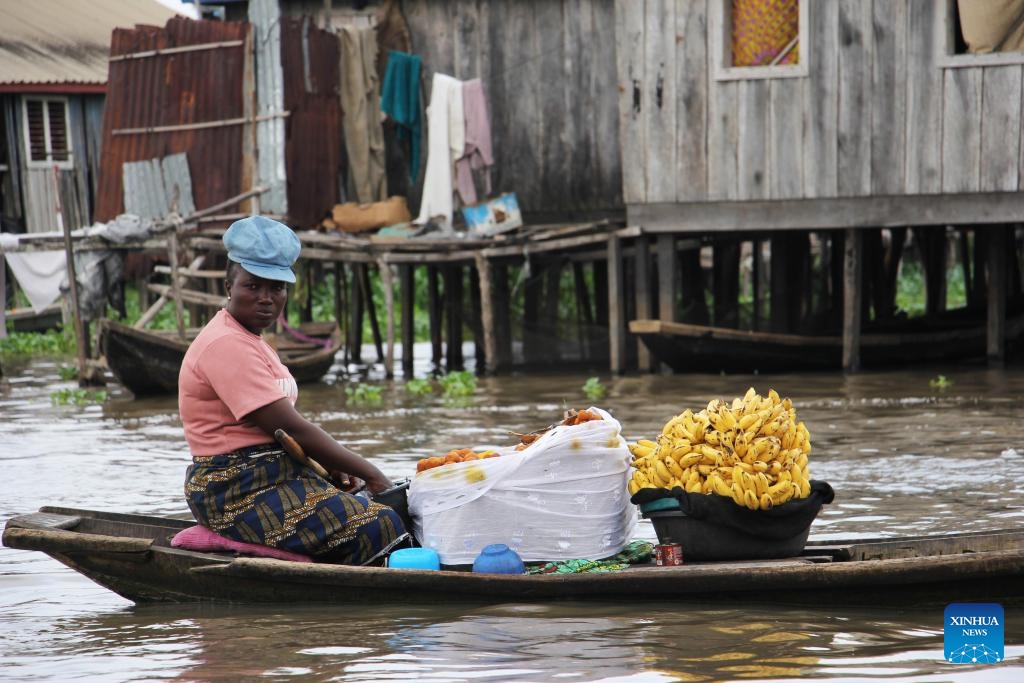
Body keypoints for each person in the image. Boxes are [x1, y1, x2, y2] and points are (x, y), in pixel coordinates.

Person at [178, 215, 408, 564]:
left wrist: (331, 469)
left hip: (276, 475)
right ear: (229, 287)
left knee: (369, 503)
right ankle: (366, 611)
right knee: (377, 523)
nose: (266, 298)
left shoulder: (253, 341)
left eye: (277, 288)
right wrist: (372, 474)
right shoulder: (225, 344)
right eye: (252, 286)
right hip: (233, 490)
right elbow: (292, 426)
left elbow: (285, 437)